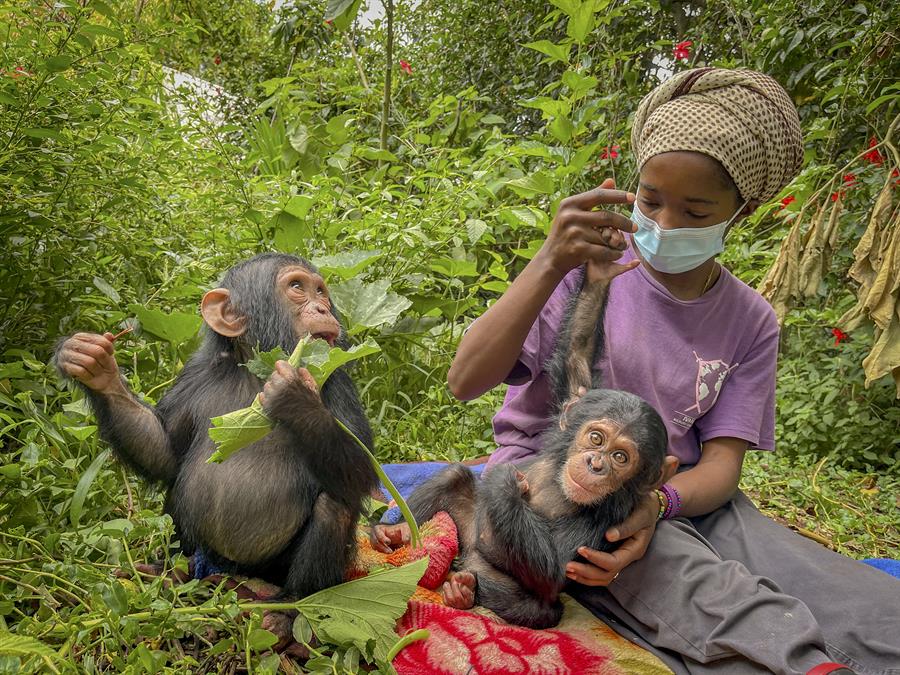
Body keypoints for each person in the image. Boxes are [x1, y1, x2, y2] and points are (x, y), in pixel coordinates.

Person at [447, 68, 900, 675]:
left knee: (856, 599)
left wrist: (658, 503)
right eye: (651, 199)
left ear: (741, 210)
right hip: (560, 482)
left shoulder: (751, 319)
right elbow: (465, 381)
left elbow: (721, 466)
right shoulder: (588, 270)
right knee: (693, 583)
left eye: (695, 210)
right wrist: (550, 261)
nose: (665, 223)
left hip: (674, 490)